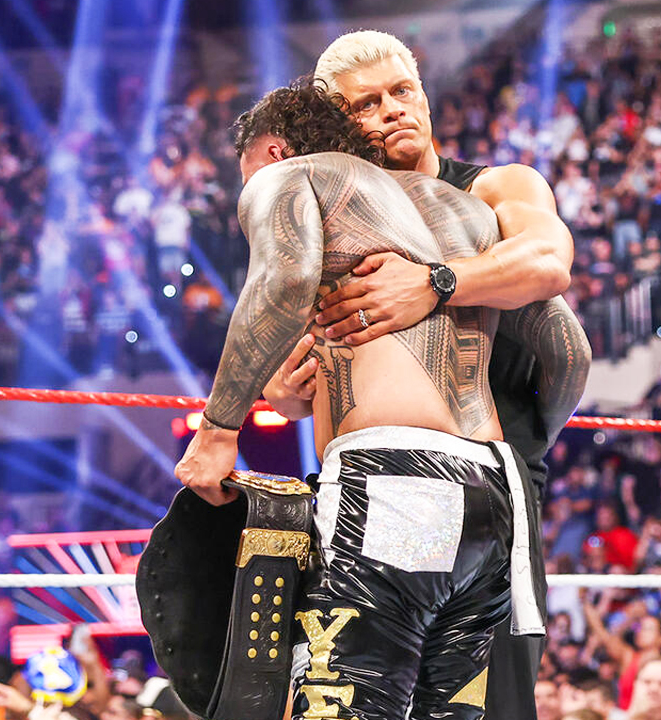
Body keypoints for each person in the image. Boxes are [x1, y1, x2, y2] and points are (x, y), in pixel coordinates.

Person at [174, 79, 589, 720]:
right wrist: (530, 446)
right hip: (492, 496)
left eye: (247, 173)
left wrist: (218, 428)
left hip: (392, 485)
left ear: (274, 151)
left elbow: (284, 280)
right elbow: (568, 350)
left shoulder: (295, 176)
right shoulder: (467, 213)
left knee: (345, 707)